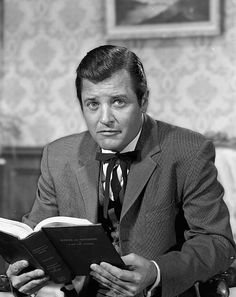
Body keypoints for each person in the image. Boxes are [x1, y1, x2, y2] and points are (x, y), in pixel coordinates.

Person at [6, 45, 236, 297]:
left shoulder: (189, 150)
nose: (105, 118)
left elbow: (217, 241)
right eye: (92, 104)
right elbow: (35, 237)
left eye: (118, 101)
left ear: (143, 100)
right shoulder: (58, 155)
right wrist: (23, 271)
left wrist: (156, 272)